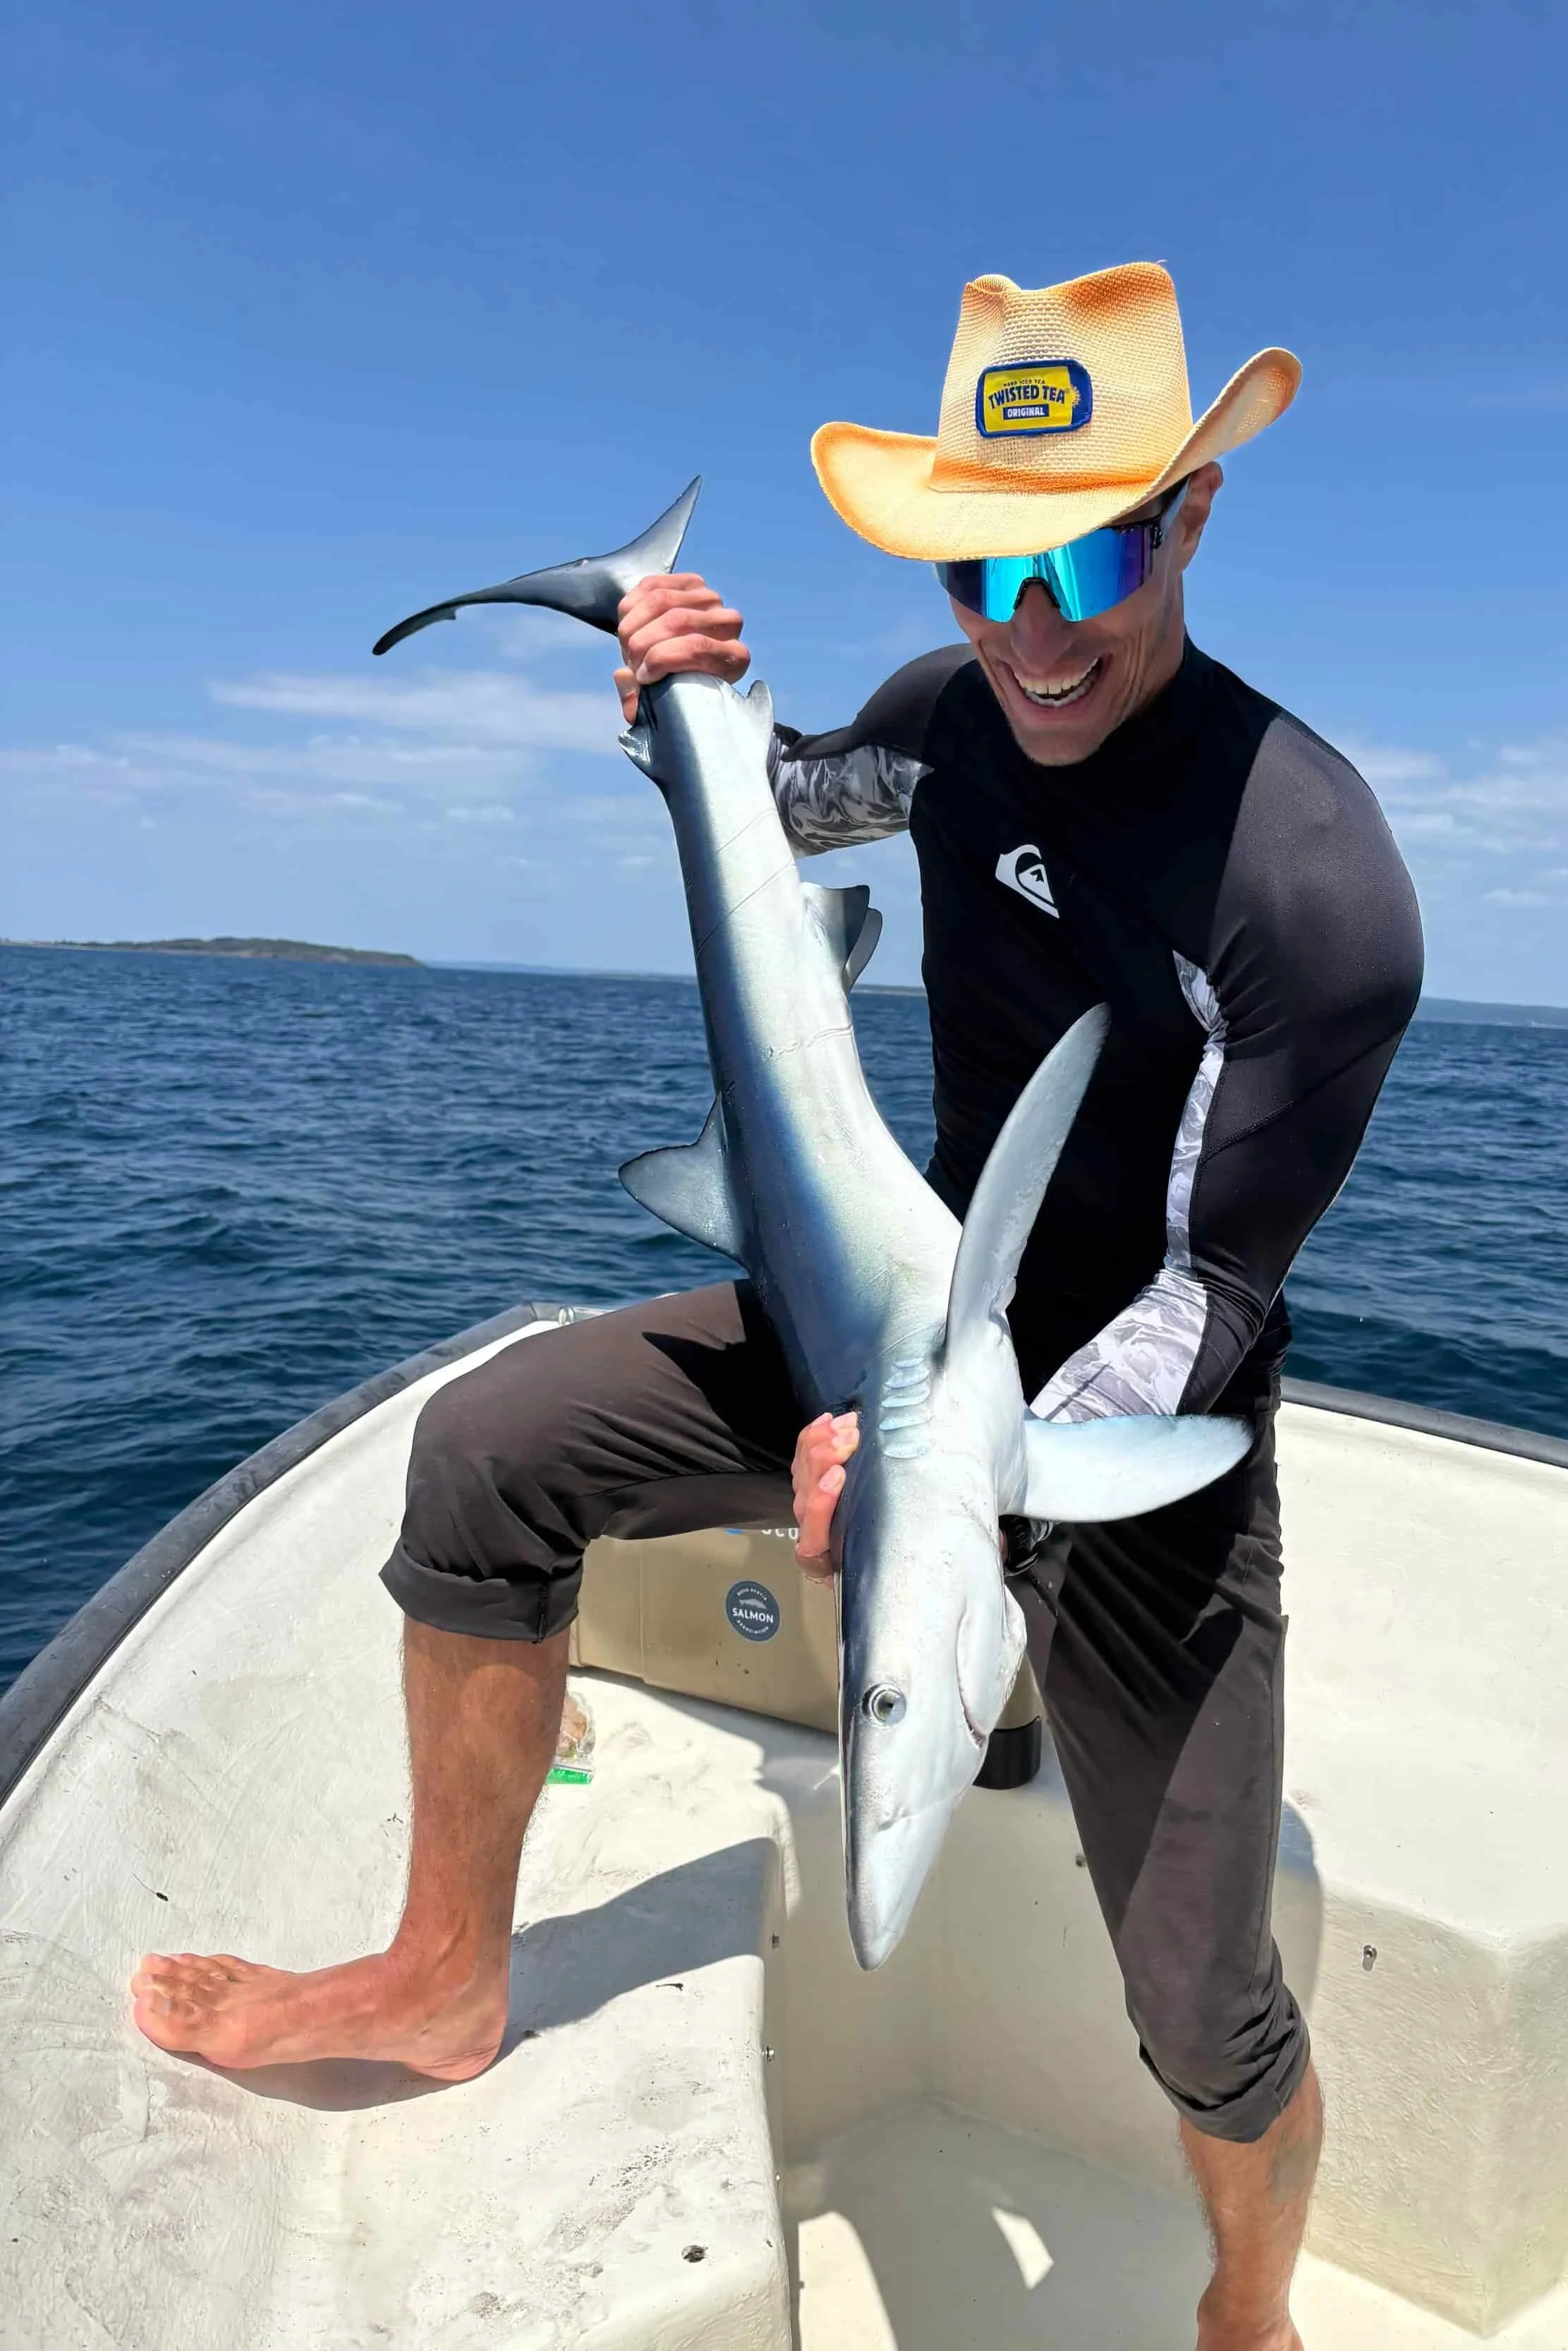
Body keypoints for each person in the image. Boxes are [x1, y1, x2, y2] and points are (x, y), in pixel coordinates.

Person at [134, 262, 1423, 2351]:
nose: (1029, 625)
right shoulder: (947, 716)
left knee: (1195, 1984)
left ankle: (1248, 2315)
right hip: (871, 1304)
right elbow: (782, 809)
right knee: (485, 1451)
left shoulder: (1309, 886)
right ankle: (444, 1973)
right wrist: (672, 708)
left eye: (1085, 550)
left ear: (1187, 519)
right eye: (975, 565)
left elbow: (1208, 1294)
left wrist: (945, 1481)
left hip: (1127, 1420)